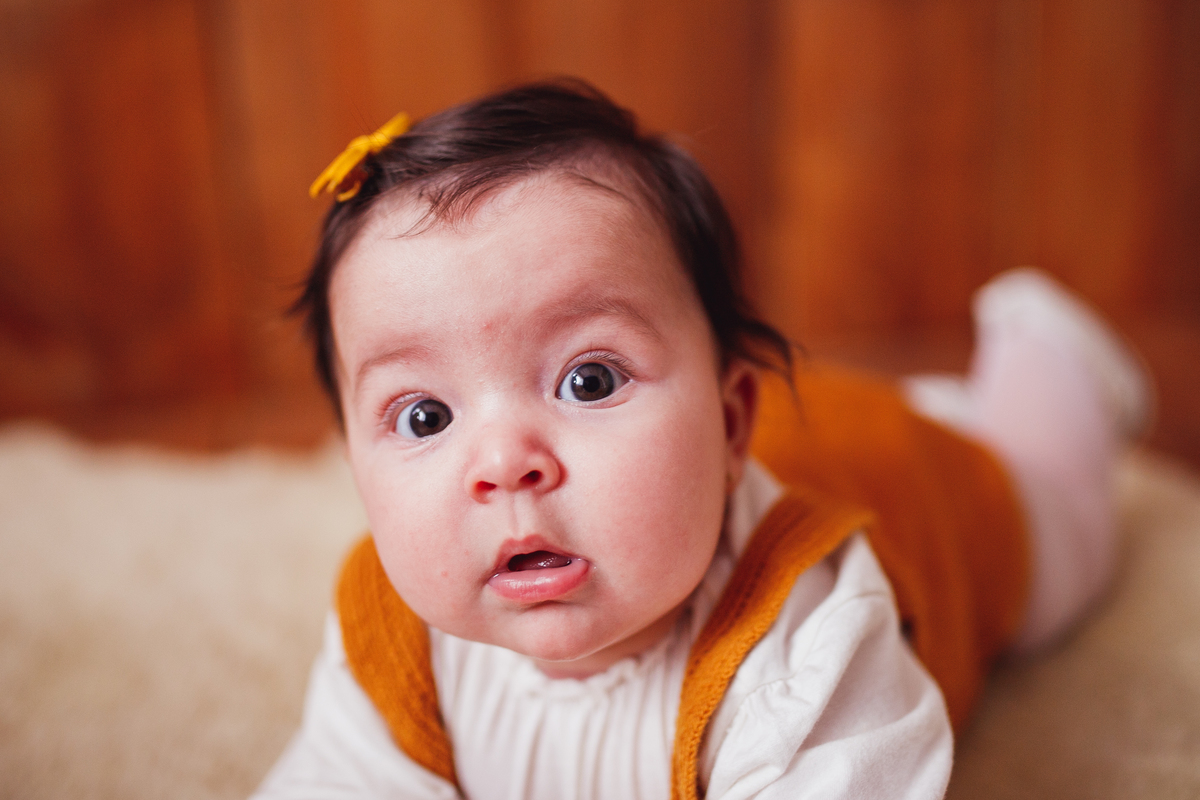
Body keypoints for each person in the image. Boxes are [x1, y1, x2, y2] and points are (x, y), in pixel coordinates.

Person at [252, 80, 1151, 800]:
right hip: (807, 423)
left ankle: (1050, 351)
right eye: (424, 417)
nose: (503, 464)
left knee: (1066, 534)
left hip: (924, 492)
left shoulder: (810, 635)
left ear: (728, 426)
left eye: (590, 380)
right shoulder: (389, 635)